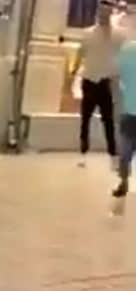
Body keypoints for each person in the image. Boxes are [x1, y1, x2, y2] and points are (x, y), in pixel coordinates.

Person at [71, 0, 126, 169]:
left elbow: (123, 55)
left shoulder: (118, 35)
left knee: (108, 120)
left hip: (105, 82)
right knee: (85, 118)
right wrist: (74, 72)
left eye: (107, 10)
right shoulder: (87, 34)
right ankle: (83, 152)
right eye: (102, 10)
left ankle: (112, 154)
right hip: (89, 80)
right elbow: (80, 54)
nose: (104, 14)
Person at [111, 4, 136, 214]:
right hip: (129, 110)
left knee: (126, 152)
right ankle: (123, 181)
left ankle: (123, 181)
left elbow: (116, 77)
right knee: (125, 151)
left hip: (128, 110)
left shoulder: (128, 50)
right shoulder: (128, 51)